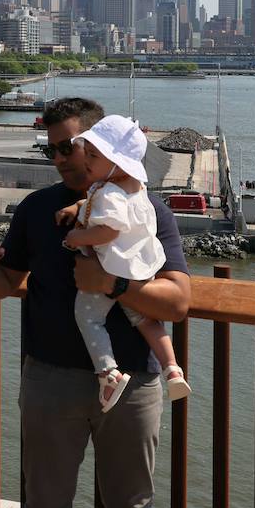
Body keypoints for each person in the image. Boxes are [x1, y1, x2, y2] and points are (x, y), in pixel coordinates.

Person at [0, 97, 190, 508]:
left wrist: (111, 285)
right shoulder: (36, 210)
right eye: (53, 151)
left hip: (133, 383)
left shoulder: (146, 208)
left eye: (71, 147)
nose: (63, 159)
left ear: (98, 143)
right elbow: (7, 285)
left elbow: (178, 301)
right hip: (49, 377)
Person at [54, 114, 191, 411]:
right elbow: (96, 203)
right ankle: (172, 368)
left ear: (116, 163)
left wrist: (78, 238)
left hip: (110, 269)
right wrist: (76, 206)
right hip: (140, 269)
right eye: (87, 153)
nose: (85, 160)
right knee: (146, 320)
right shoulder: (135, 189)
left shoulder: (110, 193)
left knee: (89, 318)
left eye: (93, 155)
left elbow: (108, 229)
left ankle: (108, 372)